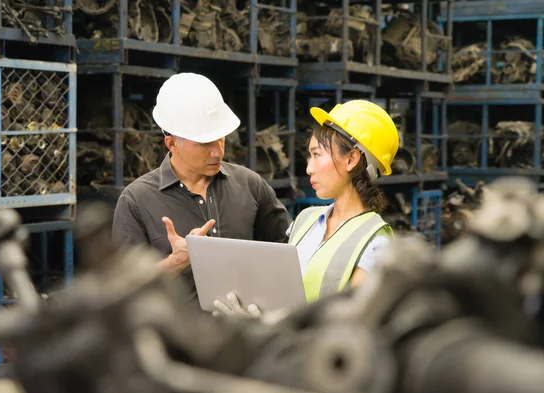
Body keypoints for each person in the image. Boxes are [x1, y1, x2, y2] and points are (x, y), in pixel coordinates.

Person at [112, 72, 292, 301]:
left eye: (221, 138)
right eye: (205, 143)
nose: (218, 151)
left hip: (246, 331)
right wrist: (177, 260)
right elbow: (122, 291)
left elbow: (290, 252)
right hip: (177, 335)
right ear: (172, 144)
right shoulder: (136, 201)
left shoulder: (249, 185)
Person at [213, 99, 399, 318]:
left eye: (317, 154)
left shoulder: (376, 243)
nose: (309, 169)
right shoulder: (305, 220)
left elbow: (353, 326)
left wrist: (270, 327)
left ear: (351, 159)